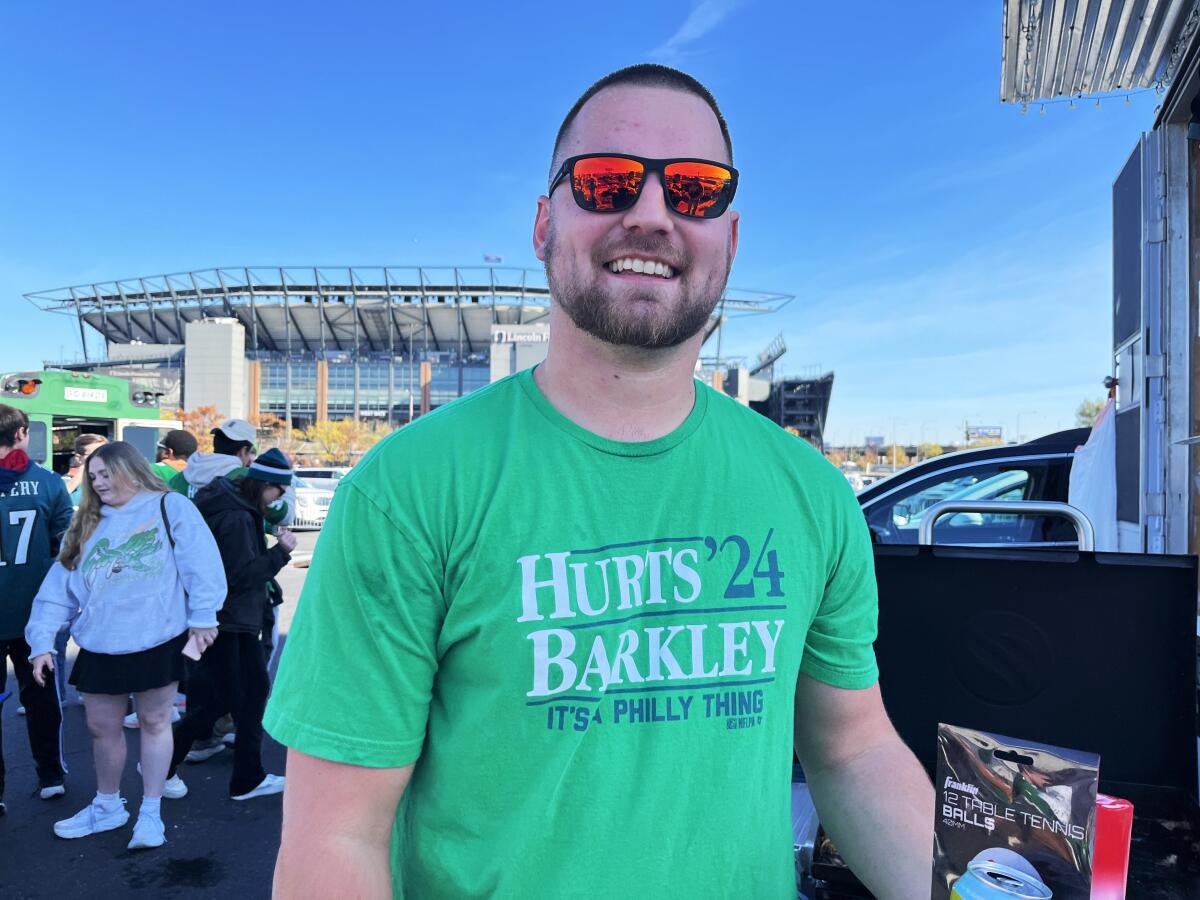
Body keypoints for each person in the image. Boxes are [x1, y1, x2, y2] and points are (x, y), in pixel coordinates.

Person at [265, 64, 935, 899]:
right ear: (546, 225)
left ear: (730, 235)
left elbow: (851, 749)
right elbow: (335, 840)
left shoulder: (812, 493)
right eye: (607, 182)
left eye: (695, 190)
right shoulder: (408, 491)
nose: (650, 213)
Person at [27, 441, 226, 850]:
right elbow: (57, 590)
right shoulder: (85, 522)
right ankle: (107, 807)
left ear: (131, 470)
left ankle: (150, 815)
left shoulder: (171, 508)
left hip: (157, 639)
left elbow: (202, 565)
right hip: (101, 644)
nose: (98, 483)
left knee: (155, 724)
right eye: (93, 477)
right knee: (101, 729)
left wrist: (205, 617)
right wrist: (41, 641)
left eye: (106, 474)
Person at [168, 448, 296, 800]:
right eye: (277, 492)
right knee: (234, 699)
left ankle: (171, 765)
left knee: (232, 698)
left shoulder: (227, 502)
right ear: (265, 485)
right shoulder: (238, 517)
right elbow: (241, 574)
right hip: (230, 619)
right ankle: (240, 778)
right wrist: (281, 551)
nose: (276, 501)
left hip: (222, 618)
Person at [0, 404, 73, 810]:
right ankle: (50, 774)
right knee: (42, 696)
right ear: (22, 433)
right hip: (35, 611)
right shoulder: (48, 483)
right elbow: (65, 547)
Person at [63, 433, 107, 502]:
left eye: (105, 453)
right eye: (95, 454)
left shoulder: (112, 482)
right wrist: (77, 479)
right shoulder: (62, 483)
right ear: (79, 458)